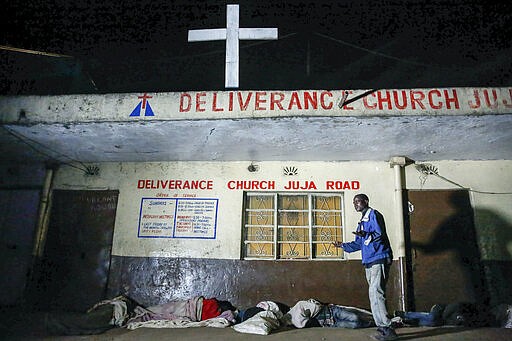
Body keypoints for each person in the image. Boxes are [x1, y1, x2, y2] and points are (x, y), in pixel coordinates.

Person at [333, 193, 397, 341]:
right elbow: (358, 244)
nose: (355, 204)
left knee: (377, 292)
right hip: (369, 261)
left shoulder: (374, 214)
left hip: (378, 258)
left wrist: (366, 234)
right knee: (373, 294)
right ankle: (382, 328)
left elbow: (379, 234)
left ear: (366, 201)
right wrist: (342, 245)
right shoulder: (361, 222)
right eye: (353, 202)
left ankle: (388, 329)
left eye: (358, 201)